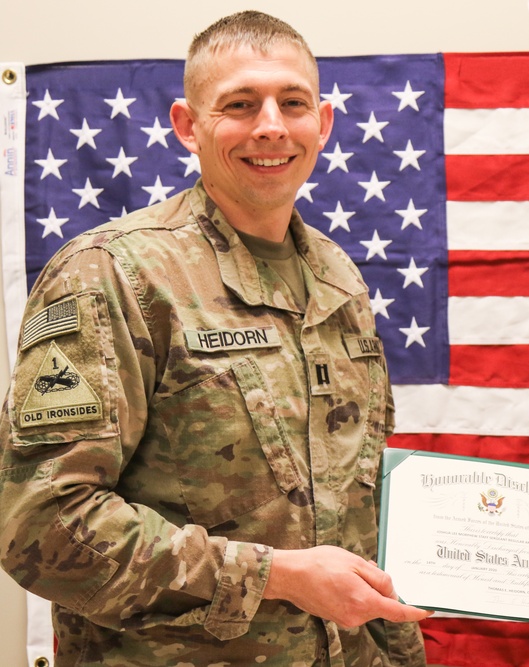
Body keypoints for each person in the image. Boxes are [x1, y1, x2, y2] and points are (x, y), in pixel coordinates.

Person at [0, 11, 430, 667]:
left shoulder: (337, 278)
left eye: (292, 102)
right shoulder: (113, 275)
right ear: (186, 125)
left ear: (325, 123)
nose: (270, 126)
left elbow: (349, 508)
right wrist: (275, 576)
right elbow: (41, 525)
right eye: (239, 104)